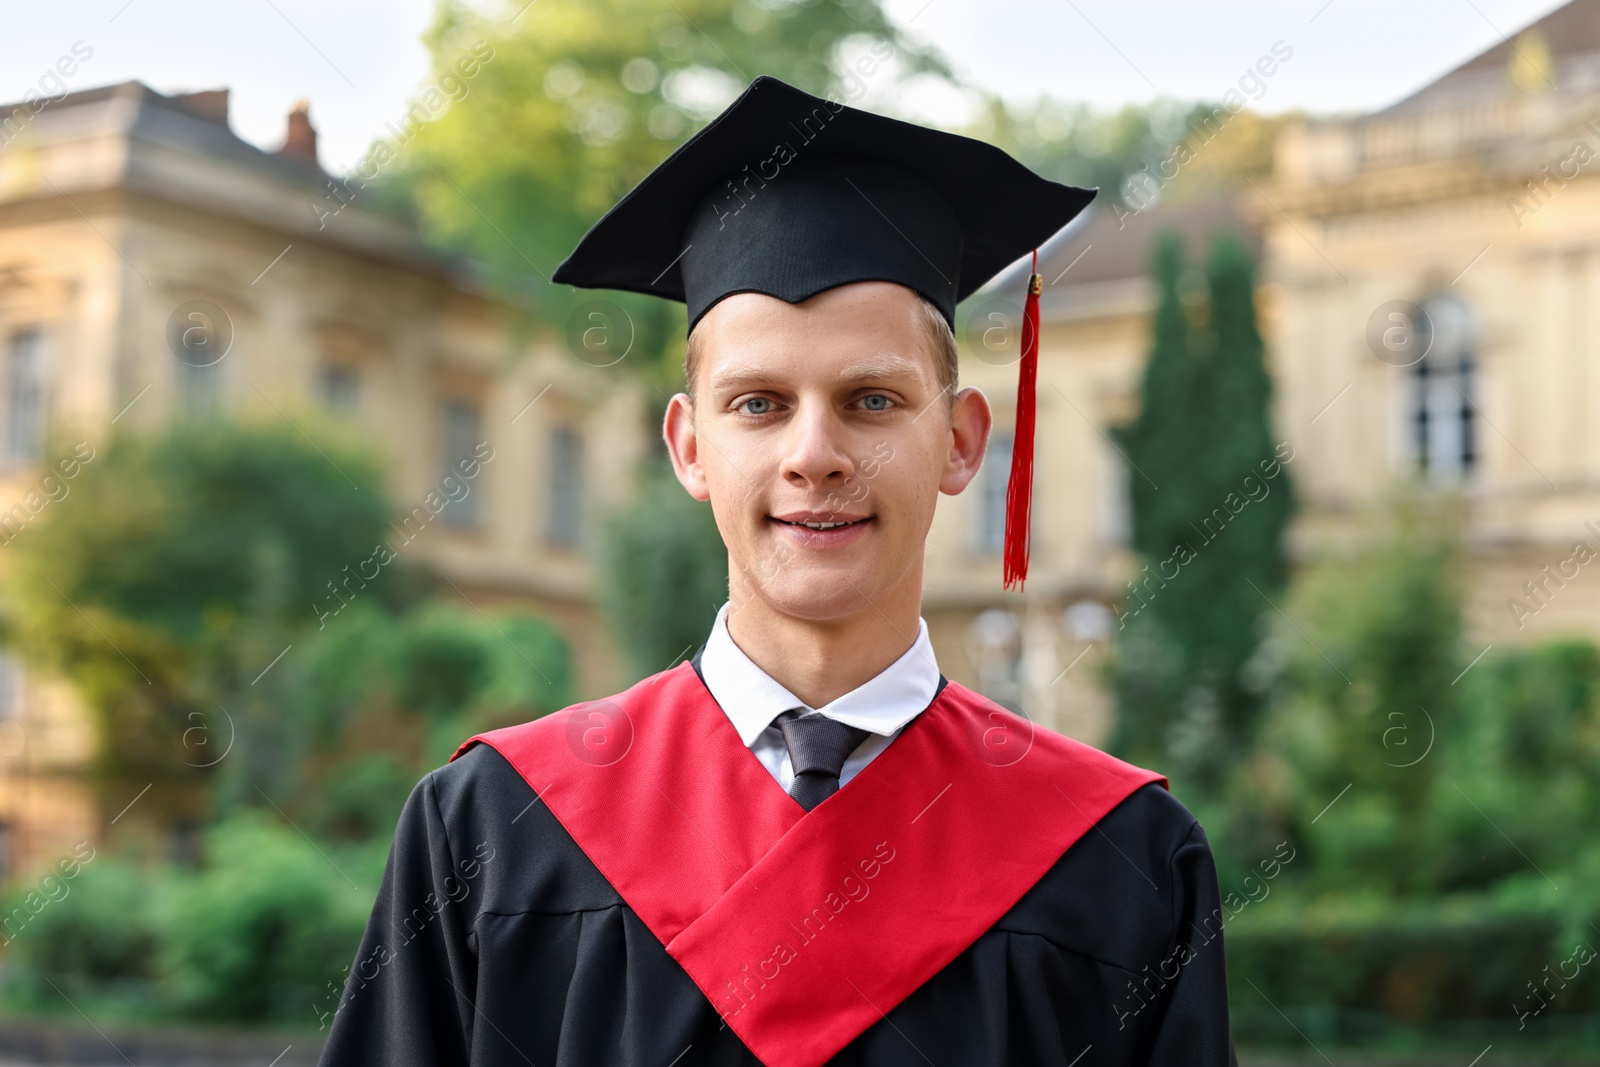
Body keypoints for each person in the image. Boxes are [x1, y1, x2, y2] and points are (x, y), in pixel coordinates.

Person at [318, 74, 1237, 1067]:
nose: (814, 454)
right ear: (688, 448)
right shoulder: (491, 830)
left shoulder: (1122, 859)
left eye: (873, 401)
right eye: (757, 403)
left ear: (965, 440)